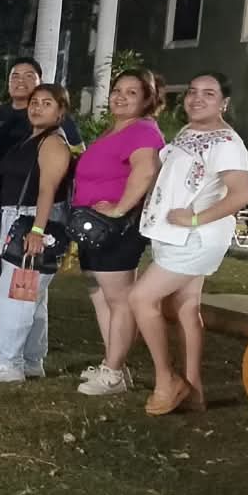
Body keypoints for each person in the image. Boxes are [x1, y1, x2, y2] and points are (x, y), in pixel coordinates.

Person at [131, 72, 248, 416]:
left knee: (141, 298)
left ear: (224, 103)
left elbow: (242, 193)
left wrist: (196, 219)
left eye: (209, 93)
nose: (197, 98)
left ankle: (166, 381)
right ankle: (195, 391)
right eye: (192, 91)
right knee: (186, 307)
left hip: (195, 238)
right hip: (173, 234)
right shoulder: (190, 131)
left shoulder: (226, 142)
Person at [0, 85, 74, 384]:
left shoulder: (52, 142)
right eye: (34, 102)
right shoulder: (32, 139)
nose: (37, 107)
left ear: (61, 111)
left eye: (47, 103)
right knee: (31, 296)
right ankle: (30, 360)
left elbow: (47, 189)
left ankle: (9, 362)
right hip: (18, 218)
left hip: (31, 221)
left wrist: (37, 230)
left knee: (15, 293)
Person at [73, 71, 165, 397]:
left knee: (119, 300)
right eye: (117, 90)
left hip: (117, 228)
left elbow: (146, 171)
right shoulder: (116, 130)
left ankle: (113, 373)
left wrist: (119, 208)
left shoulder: (143, 131)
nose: (121, 97)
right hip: (94, 226)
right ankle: (114, 365)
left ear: (147, 100)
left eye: (132, 92)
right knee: (102, 297)